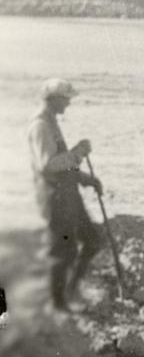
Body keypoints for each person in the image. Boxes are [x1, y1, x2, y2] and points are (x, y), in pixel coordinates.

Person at [26, 78, 103, 311]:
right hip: (55, 198)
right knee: (64, 250)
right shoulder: (40, 126)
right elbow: (48, 165)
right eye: (66, 99)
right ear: (54, 99)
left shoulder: (52, 123)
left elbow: (62, 162)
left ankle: (72, 290)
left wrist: (86, 179)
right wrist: (78, 152)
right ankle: (58, 303)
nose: (68, 104)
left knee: (91, 240)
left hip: (69, 195)